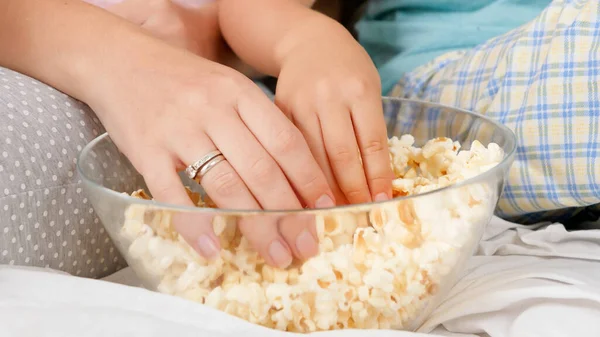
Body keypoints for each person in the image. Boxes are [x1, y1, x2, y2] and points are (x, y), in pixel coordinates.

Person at [0, 0, 394, 277]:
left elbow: (252, 9)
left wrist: (309, 39)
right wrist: (114, 55)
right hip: (38, 67)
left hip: (213, 101)